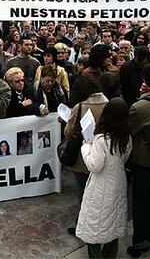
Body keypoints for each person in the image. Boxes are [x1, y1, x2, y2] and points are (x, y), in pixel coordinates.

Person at [76, 98, 132, 258]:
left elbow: (94, 166)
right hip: (118, 182)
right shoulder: (126, 135)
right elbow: (125, 156)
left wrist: (86, 146)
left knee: (94, 228)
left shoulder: (101, 139)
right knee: (112, 226)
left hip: (100, 186)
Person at [64, 75, 109, 236]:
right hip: (104, 156)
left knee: (84, 193)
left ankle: (83, 226)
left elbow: (69, 133)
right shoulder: (109, 104)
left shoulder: (80, 107)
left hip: (84, 158)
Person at [127, 64, 150, 258]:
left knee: (141, 203)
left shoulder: (141, 107)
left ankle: (141, 241)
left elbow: (130, 131)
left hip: (144, 163)